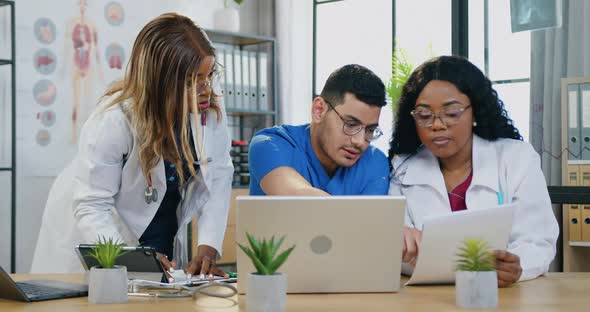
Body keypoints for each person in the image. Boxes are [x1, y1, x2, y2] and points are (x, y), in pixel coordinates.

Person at [32, 13, 234, 279]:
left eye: (208, 76)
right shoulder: (114, 120)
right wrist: (133, 259)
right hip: (96, 227)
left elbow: (217, 178)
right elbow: (92, 206)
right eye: (191, 80)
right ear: (160, 82)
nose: (205, 89)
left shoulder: (208, 115)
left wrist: (207, 250)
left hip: (159, 230)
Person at [388, 55, 558, 287]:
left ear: (474, 112)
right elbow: (398, 249)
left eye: (452, 113)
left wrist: (517, 265)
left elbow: (538, 241)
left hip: (502, 296)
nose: (437, 124)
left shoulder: (516, 159)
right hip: (427, 297)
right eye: (425, 115)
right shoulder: (403, 169)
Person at [249, 64, 389, 196]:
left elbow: (369, 221)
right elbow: (305, 203)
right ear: (319, 110)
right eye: (351, 124)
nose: (360, 142)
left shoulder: (375, 162)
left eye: (370, 130)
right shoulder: (269, 145)